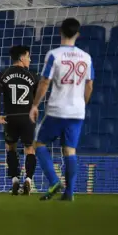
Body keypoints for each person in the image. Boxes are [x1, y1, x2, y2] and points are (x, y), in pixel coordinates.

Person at [30, 18, 94, 201]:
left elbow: (44, 82)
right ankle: (70, 193)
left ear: (60, 31)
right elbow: (89, 85)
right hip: (77, 112)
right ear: (78, 35)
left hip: (57, 109)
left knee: (39, 144)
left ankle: (54, 181)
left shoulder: (54, 55)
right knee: (70, 150)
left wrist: (35, 105)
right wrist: (83, 103)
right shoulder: (86, 57)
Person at [0, 45, 39, 195]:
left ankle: (14, 180)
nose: (30, 59)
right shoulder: (32, 75)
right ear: (21, 58)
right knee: (30, 149)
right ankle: (28, 180)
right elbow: (38, 96)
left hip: (10, 118)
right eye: (28, 56)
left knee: (11, 148)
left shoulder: (3, 74)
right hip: (27, 118)